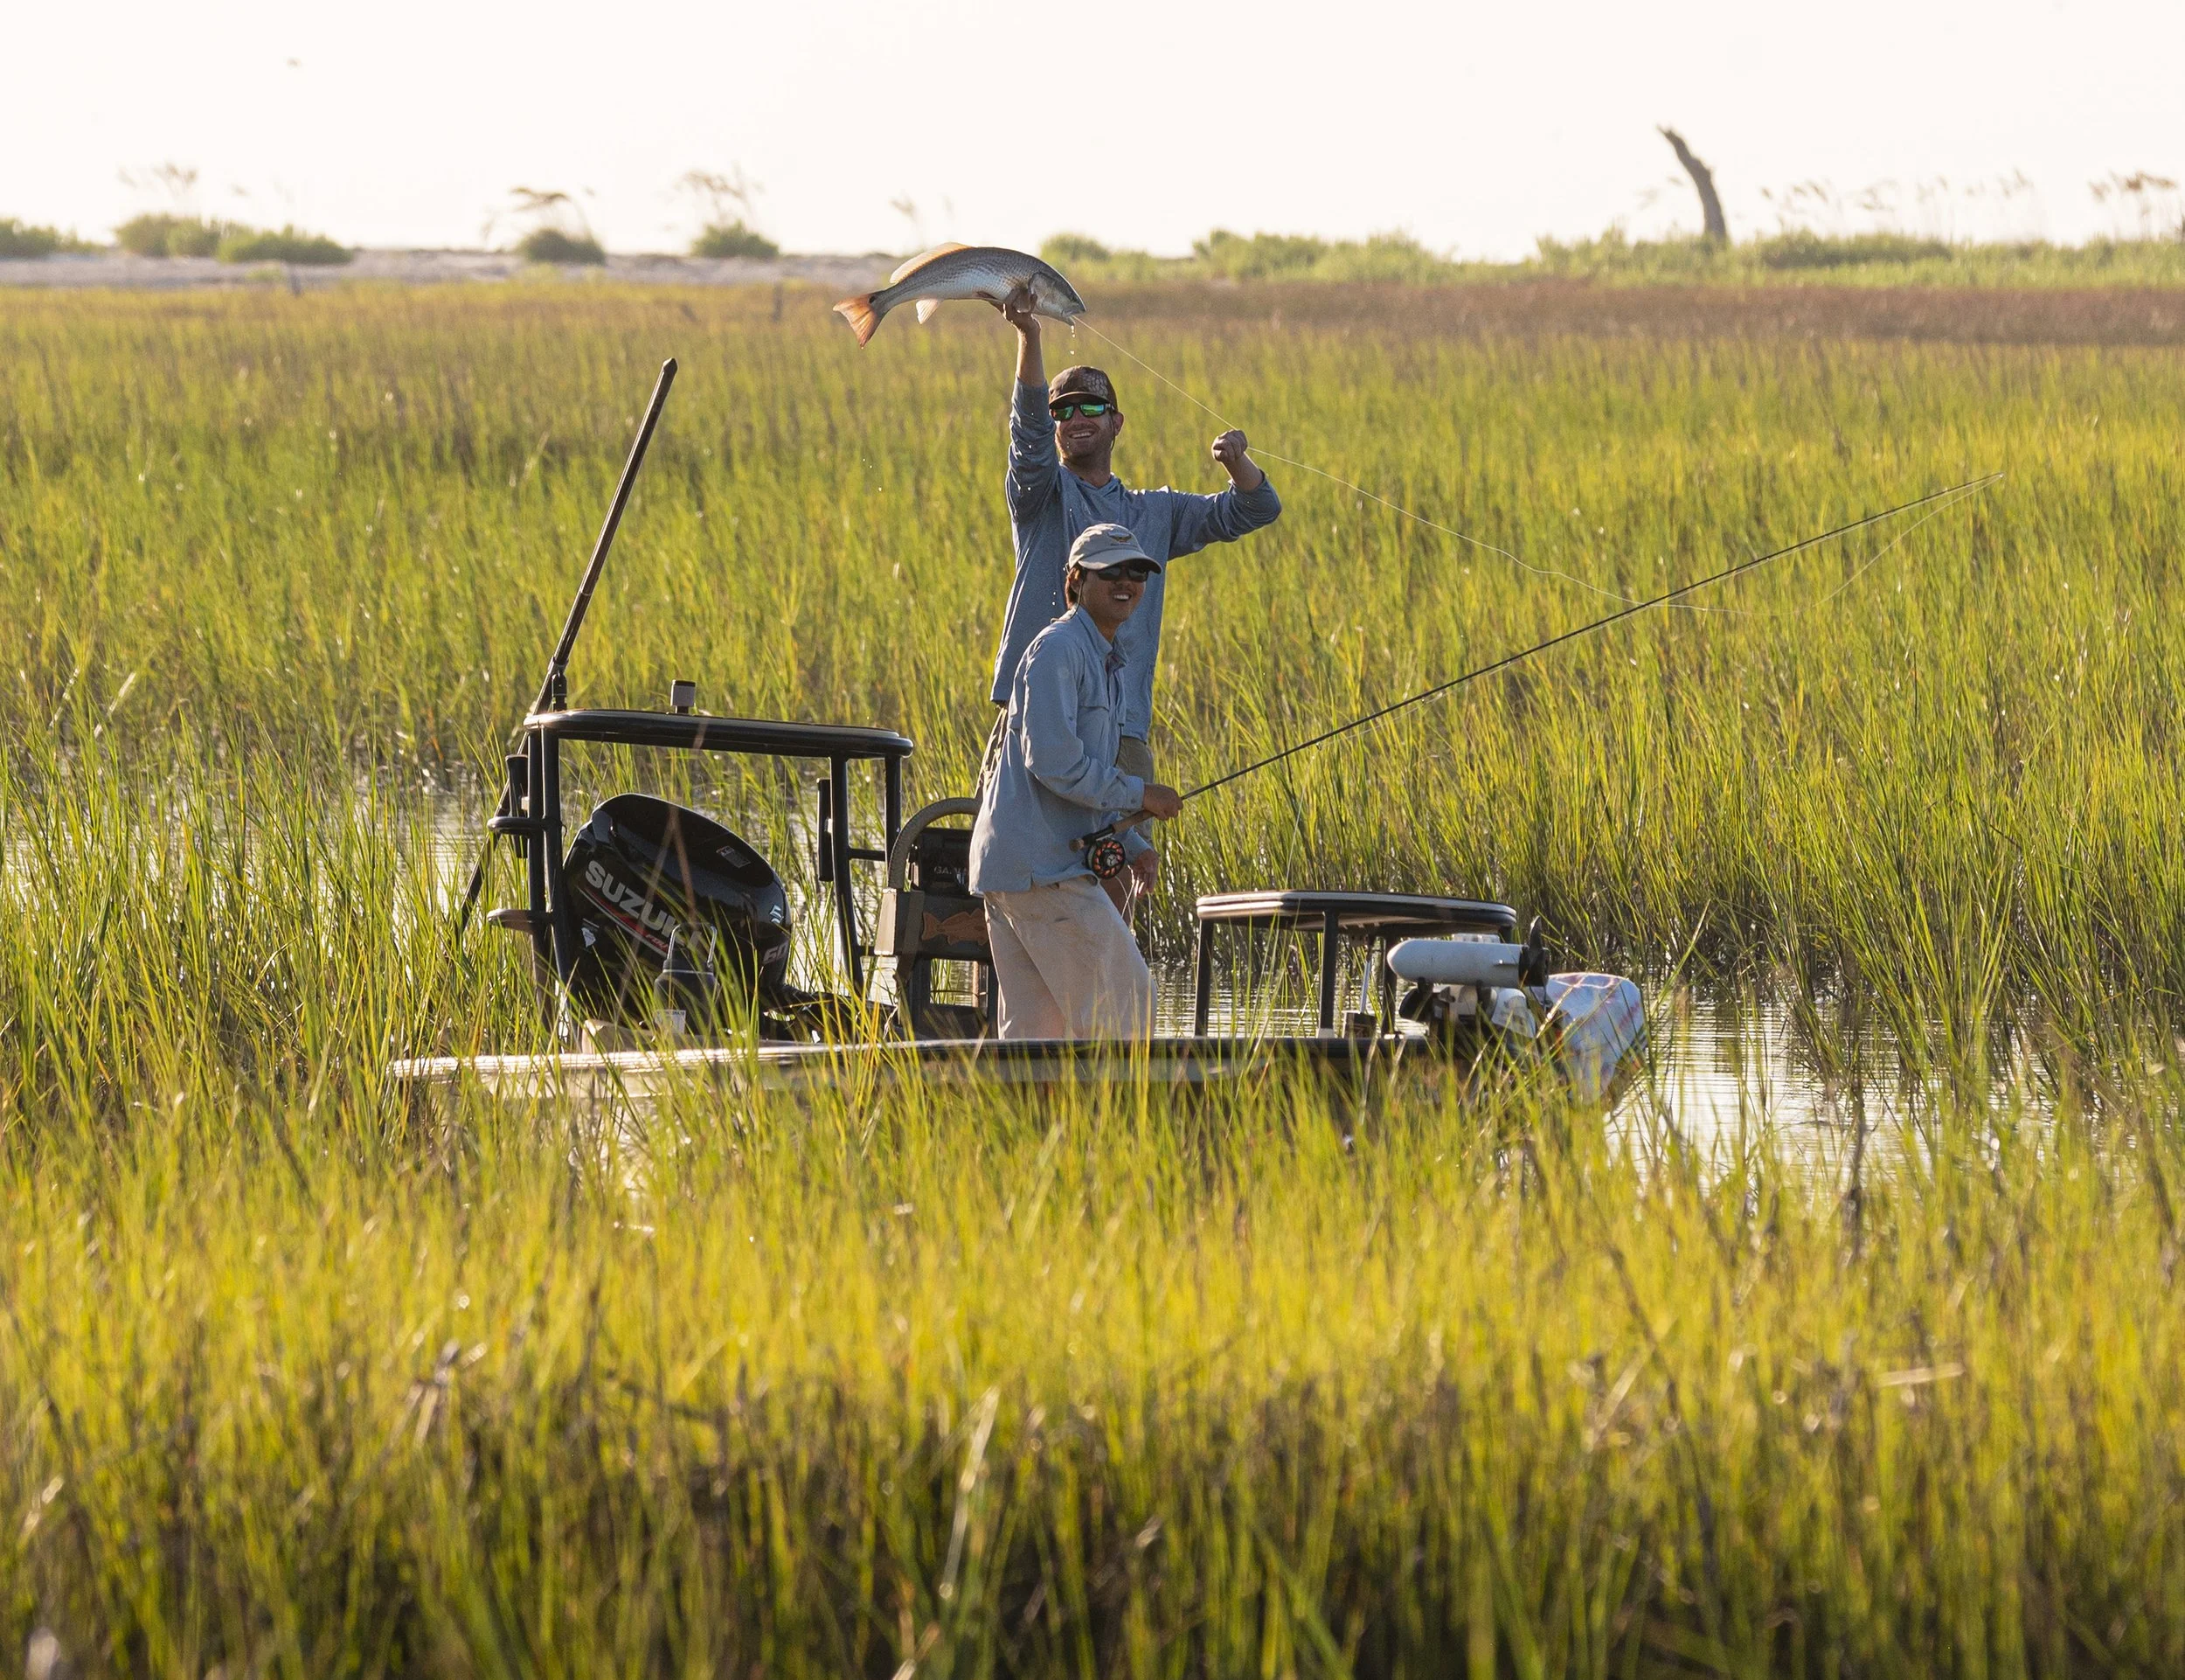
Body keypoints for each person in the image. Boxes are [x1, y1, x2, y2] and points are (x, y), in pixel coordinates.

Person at [981, 295, 1281, 912]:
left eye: (1091, 406)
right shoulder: (1040, 495)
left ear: (1117, 423)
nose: (1074, 418)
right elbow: (1028, 438)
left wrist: (1237, 461)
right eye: (1064, 411)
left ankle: (1104, 1007)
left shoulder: (1157, 512)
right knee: (1014, 884)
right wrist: (1029, 335)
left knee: (1114, 889)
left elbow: (1255, 509)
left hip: (1121, 730)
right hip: (1035, 717)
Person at [968, 524, 1184, 1039]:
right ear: (1076, 581)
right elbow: (1054, 762)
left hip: (1025, 870)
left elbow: (1081, 788)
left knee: (1037, 1040)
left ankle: (1037, 1122)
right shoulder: (1059, 648)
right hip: (1042, 870)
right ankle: (1129, 1120)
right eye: (1110, 570)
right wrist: (1141, 794)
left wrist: (1132, 844)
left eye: (1137, 572)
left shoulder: (1105, 660)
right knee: (1129, 1012)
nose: (1126, 581)